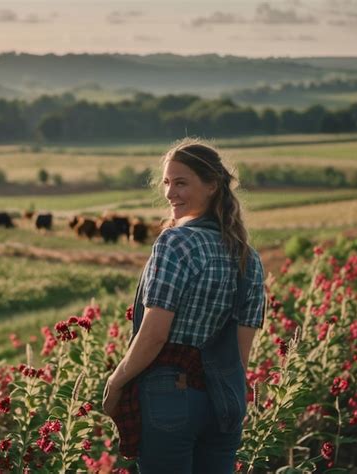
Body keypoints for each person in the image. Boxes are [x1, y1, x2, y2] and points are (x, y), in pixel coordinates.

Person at [102, 139, 266, 474]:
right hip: (225, 401)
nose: (169, 193)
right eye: (166, 182)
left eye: (181, 182)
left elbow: (154, 334)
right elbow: (241, 352)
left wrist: (116, 382)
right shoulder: (249, 258)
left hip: (170, 397)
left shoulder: (176, 242)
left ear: (211, 186)